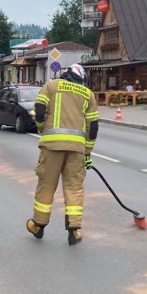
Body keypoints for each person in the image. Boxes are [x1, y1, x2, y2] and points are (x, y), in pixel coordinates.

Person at [26, 63, 99, 246]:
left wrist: (44, 131)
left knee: (46, 186)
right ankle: (74, 231)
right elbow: (93, 128)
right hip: (77, 151)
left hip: (52, 147)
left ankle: (38, 225)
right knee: (74, 187)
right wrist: (87, 152)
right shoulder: (87, 94)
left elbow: (40, 111)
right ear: (81, 79)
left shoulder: (51, 86)